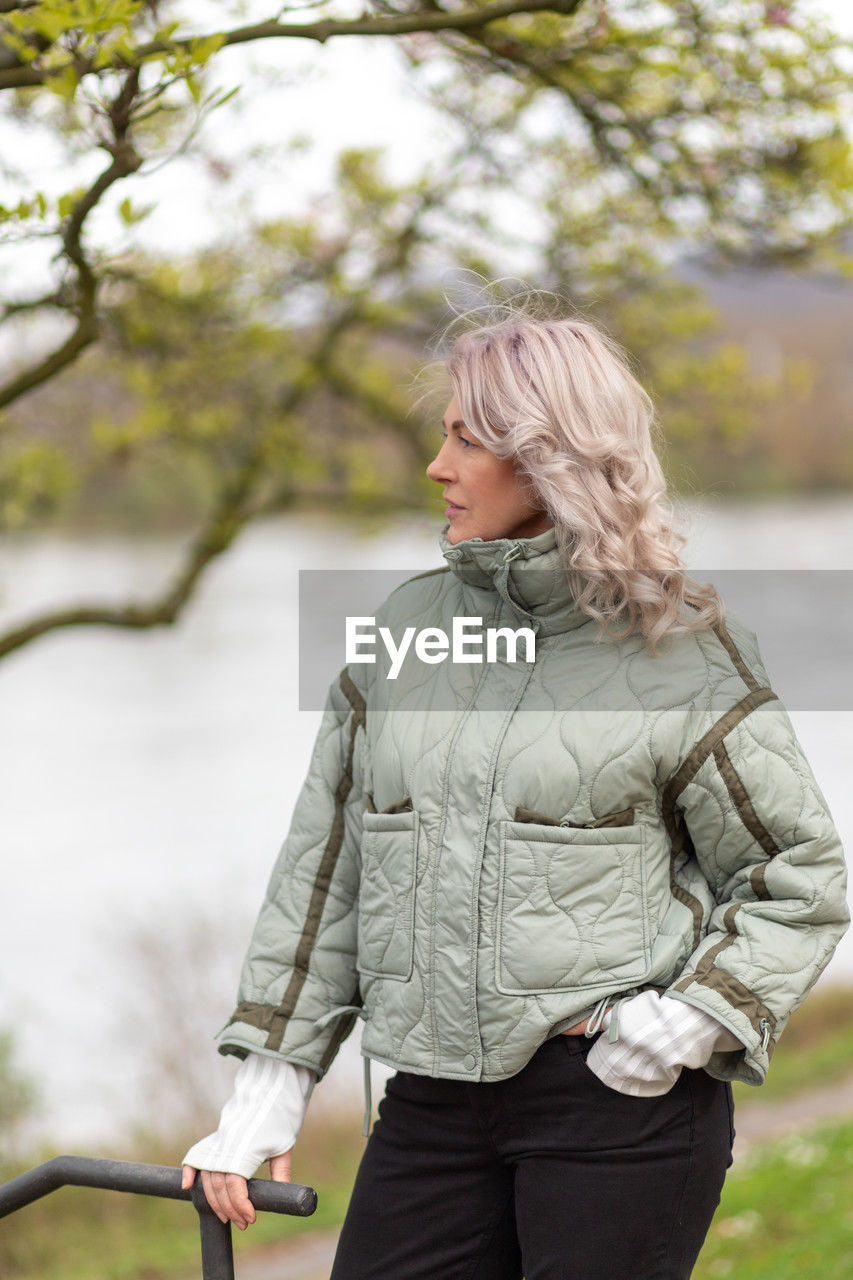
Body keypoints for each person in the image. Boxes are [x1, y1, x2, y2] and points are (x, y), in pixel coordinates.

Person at [182, 303, 850, 1279]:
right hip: (428, 1099)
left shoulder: (680, 649)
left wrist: (686, 1020)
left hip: (618, 1108)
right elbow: (326, 876)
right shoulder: (406, 628)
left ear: (550, 456)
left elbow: (798, 874)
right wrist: (265, 1091)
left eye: (465, 437)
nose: (435, 465)